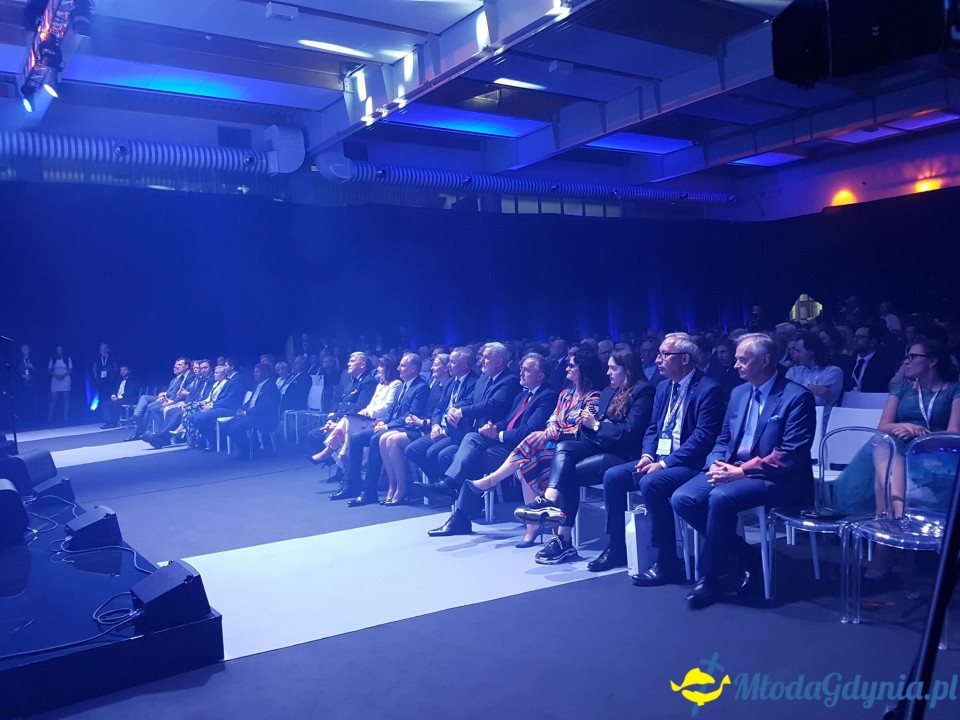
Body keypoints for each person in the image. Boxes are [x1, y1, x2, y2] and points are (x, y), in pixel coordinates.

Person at [671, 333, 816, 609]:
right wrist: (716, 462)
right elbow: (723, 438)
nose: (735, 365)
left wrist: (741, 472)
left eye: (743, 360)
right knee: (683, 498)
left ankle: (710, 578)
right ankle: (746, 556)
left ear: (765, 360)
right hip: (732, 469)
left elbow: (790, 454)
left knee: (721, 497)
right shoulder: (739, 393)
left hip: (778, 478)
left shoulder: (797, 397)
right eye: (736, 359)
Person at [428, 349, 605, 544]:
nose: (520, 372)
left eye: (526, 369)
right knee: (467, 442)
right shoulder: (558, 394)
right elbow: (548, 419)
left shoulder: (556, 395)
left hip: (556, 446)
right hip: (527, 445)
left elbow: (559, 429)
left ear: (540, 376)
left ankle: (470, 504)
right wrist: (494, 428)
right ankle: (457, 491)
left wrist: (503, 435)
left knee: (496, 458)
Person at [598, 333, 726, 577]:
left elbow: (703, 438)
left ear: (685, 359)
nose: (658, 360)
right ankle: (617, 546)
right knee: (613, 476)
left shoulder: (709, 389)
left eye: (665, 355)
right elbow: (653, 428)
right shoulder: (664, 387)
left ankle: (667, 559)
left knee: (651, 482)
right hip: (659, 458)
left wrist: (665, 463)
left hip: (690, 464)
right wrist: (648, 456)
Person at [513, 347, 655, 564]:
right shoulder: (609, 392)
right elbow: (594, 430)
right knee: (564, 448)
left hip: (626, 453)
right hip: (602, 445)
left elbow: (630, 432)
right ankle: (551, 504)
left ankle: (564, 539)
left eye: (613, 368)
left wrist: (595, 424)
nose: (608, 373)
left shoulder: (643, 391)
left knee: (567, 471)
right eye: (608, 368)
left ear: (628, 369)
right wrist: (586, 424)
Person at [343, 353, 430, 506]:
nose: (399, 368)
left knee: (376, 439)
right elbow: (393, 412)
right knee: (356, 438)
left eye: (402, 365)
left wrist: (387, 426)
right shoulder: (406, 385)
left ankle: (370, 490)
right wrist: (384, 423)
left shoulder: (420, 387)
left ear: (413, 369)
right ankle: (353, 483)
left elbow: (412, 414)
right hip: (393, 424)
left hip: (405, 428)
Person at [308, 355, 401, 471]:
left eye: (381, 366)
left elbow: (386, 407)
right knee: (319, 433)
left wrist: (366, 412)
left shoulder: (395, 384)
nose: (378, 369)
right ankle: (342, 465)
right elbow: (365, 404)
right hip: (366, 418)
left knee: (348, 423)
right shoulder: (379, 385)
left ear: (389, 368)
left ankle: (331, 455)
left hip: (378, 420)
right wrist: (331, 419)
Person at [223, 363, 282, 460]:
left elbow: (264, 406)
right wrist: (242, 409)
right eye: (254, 371)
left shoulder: (270, 386)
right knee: (225, 426)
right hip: (251, 414)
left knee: (235, 428)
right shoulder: (257, 385)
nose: (254, 374)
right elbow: (250, 401)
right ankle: (250, 445)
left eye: (257, 372)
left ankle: (246, 451)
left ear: (265, 373)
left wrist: (246, 413)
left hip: (264, 417)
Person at [785, 331, 844, 426]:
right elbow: (785, 398)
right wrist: (813, 388)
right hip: (795, 422)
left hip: (821, 424)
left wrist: (796, 390)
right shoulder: (793, 371)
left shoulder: (833, 372)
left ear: (811, 351)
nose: (796, 355)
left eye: (799, 351)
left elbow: (817, 401)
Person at [100, 364, 136, 429]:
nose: (122, 372)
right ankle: (108, 422)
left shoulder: (133, 380)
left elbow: (131, 392)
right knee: (104, 404)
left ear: (129, 371)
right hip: (118, 398)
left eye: (124, 370)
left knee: (116, 404)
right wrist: (113, 395)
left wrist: (118, 397)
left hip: (128, 398)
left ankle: (114, 422)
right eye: (121, 370)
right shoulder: (119, 379)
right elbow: (115, 389)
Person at [93, 343, 119, 427]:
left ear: (107, 349)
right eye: (100, 349)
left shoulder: (111, 357)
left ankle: (112, 420)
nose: (102, 350)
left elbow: (115, 367)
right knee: (102, 400)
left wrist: (111, 371)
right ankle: (106, 419)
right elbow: (94, 366)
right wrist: (95, 375)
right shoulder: (98, 358)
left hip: (110, 382)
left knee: (110, 399)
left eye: (103, 348)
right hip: (101, 382)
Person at [47, 346, 73, 424]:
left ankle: (65, 416)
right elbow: (49, 370)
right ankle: (50, 417)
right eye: (58, 349)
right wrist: (56, 375)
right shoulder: (52, 359)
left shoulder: (67, 359)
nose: (59, 351)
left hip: (65, 379)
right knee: (54, 399)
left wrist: (63, 375)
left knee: (66, 398)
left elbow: (70, 370)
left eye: (61, 349)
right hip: (55, 380)